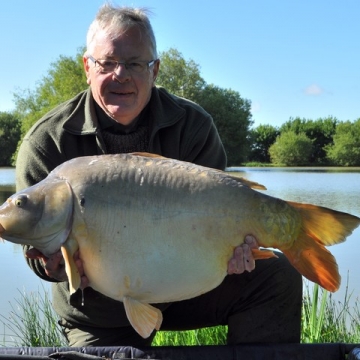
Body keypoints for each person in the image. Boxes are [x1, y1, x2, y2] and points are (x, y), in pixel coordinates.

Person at [16, 4, 302, 347]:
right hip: (99, 311)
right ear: (87, 67)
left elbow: (225, 210)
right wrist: (54, 266)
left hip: (190, 285)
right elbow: (34, 247)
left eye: (135, 63)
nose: (121, 74)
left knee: (276, 276)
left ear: (155, 70)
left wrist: (237, 252)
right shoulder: (47, 141)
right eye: (107, 62)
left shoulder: (193, 126)